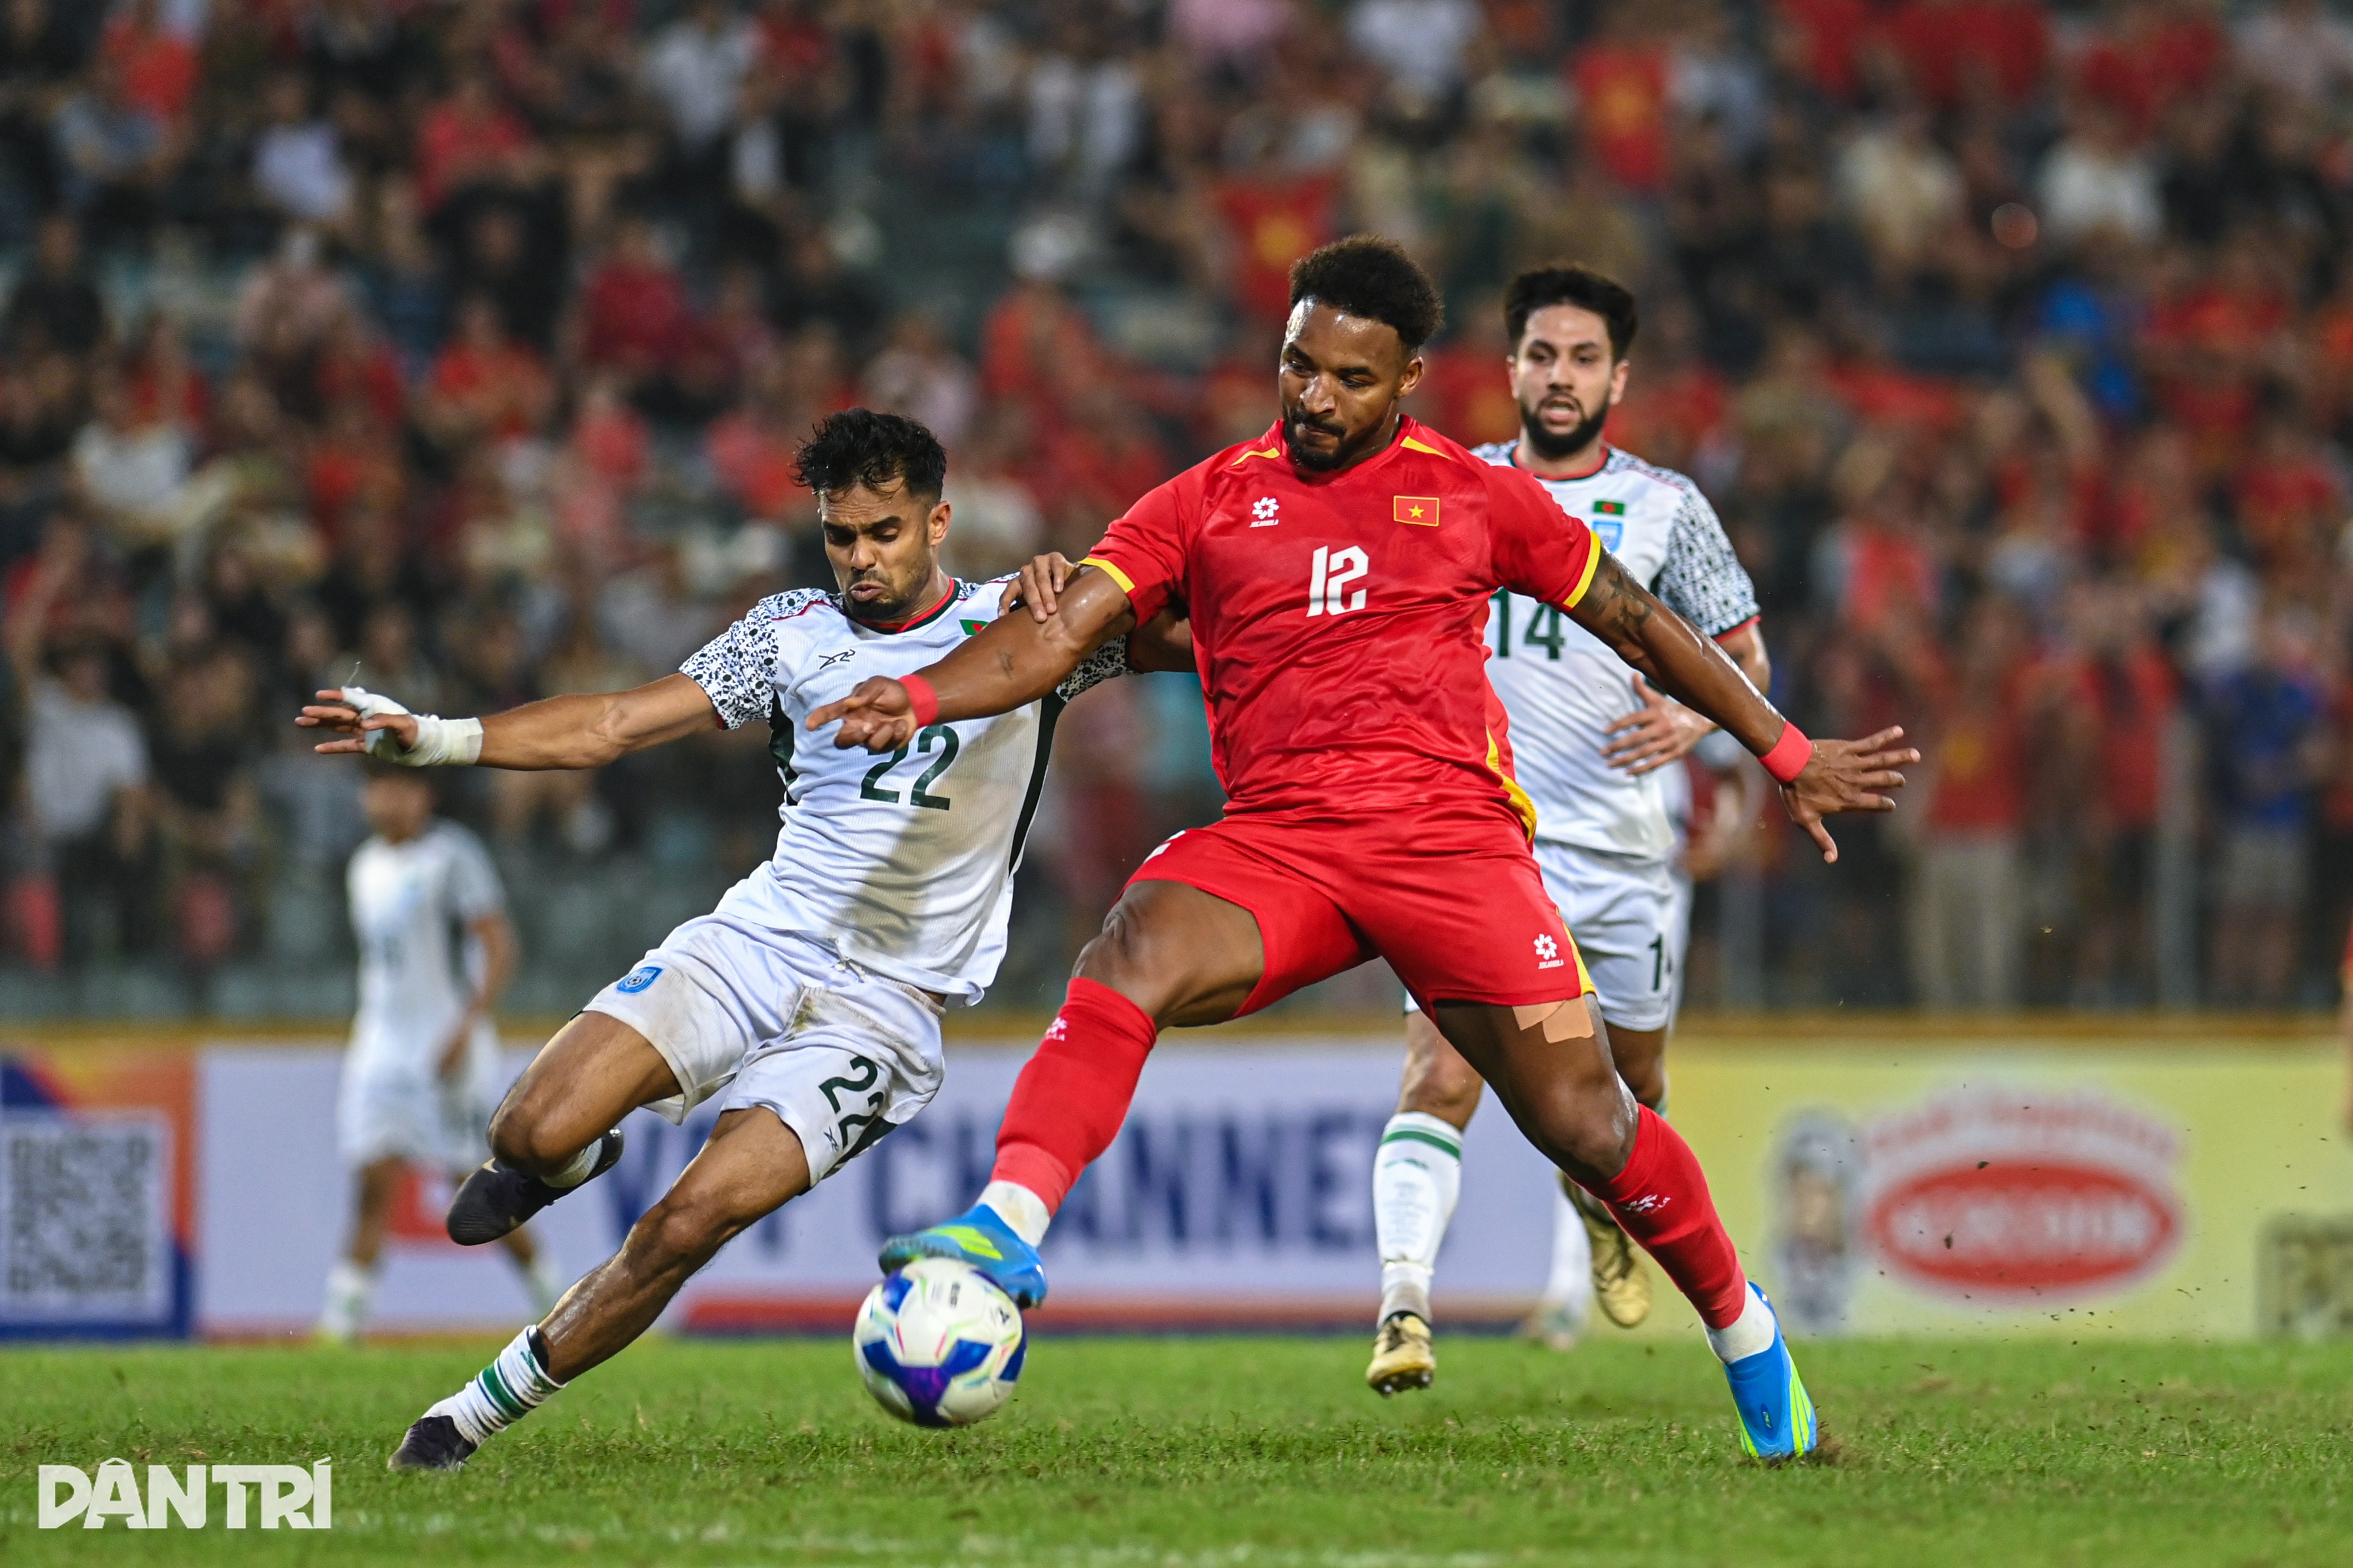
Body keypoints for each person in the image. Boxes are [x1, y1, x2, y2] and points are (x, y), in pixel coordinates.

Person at [813, 237, 1916, 1461]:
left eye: (1347, 377)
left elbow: (1638, 621)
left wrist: (1780, 750)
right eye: (1298, 366)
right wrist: (919, 699)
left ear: (1406, 383)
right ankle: (1004, 1227)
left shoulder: (1476, 494)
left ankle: (1746, 1336)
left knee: (1589, 1126)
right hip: (1281, 843)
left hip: (1453, 850)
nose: (1314, 398)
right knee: (1130, 945)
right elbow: (1052, 638)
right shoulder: (1205, 497)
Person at [295, 411, 1134, 1472]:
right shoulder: (787, 630)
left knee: (687, 1221)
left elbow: (1194, 628)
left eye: (884, 531)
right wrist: (439, 737)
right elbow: (616, 725)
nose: (861, 559)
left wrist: (1118, 584)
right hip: (756, 940)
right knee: (527, 1130)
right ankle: (572, 1147)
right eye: (840, 536)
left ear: (939, 521)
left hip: (882, 1008)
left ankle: (471, 1413)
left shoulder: (1030, 627)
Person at [1363, 264, 1771, 1394]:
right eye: (1540, 355)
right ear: (1509, 370)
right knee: (1436, 1074)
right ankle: (1403, 1303)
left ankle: (1597, 1205)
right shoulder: (1445, 486)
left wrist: (1693, 721)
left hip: (1625, 853)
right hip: (1473, 844)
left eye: (1582, 358)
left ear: (1616, 377)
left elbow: (1745, 659)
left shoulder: (1667, 507)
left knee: (1628, 1093)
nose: (1559, 377)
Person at [319, 762, 559, 1342]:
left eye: (399, 786)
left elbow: (499, 946)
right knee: (372, 1181)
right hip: (380, 1046)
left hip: (446, 1045)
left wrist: (464, 1027)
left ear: (424, 793)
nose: (386, 798)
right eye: (375, 786)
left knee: (475, 1187)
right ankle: (340, 1323)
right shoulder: (364, 865)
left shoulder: (452, 856)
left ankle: (557, 1299)